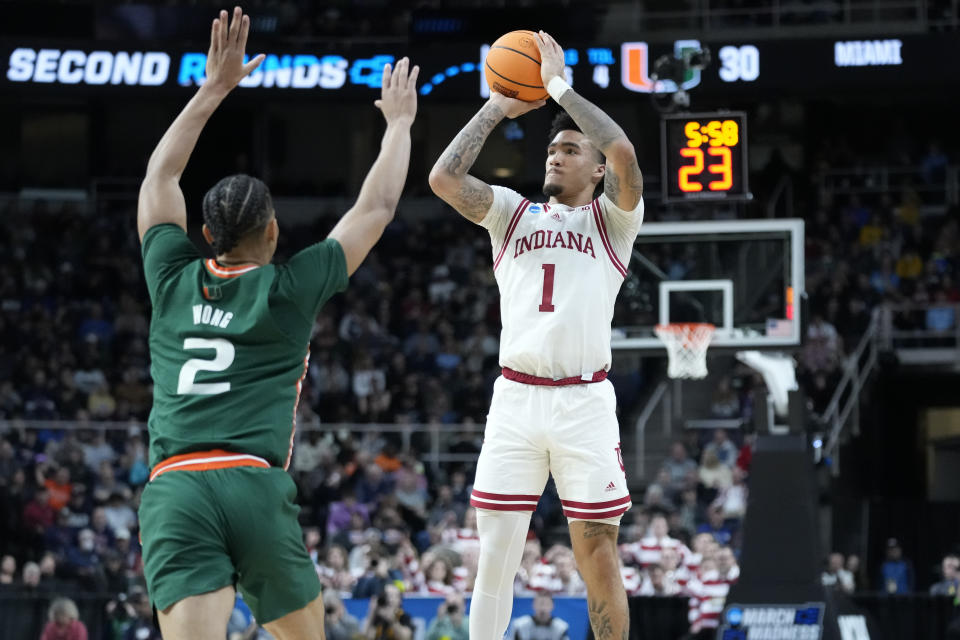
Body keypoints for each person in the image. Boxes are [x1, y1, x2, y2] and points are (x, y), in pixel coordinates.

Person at [135, 8, 419, 640]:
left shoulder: (170, 275)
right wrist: (398, 125)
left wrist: (213, 90)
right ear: (274, 230)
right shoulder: (291, 289)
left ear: (205, 235)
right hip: (253, 485)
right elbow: (376, 204)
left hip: (177, 487)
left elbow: (161, 176)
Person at [429, 30, 642, 640]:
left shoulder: (613, 222)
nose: (556, 153)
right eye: (552, 147)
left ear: (597, 171)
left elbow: (624, 152)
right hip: (516, 398)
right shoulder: (509, 212)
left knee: (597, 554)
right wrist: (498, 102)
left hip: (583, 400)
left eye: (572, 149)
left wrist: (558, 89)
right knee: (495, 554)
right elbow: (444, 178)